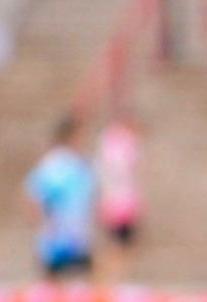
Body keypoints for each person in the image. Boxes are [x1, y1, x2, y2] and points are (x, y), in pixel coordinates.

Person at [23, 117, 97, 282]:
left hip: (53, 240)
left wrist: (41, 227)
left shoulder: (48, 164)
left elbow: (32, 201)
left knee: (53, 287)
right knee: (85, 286)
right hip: (76, 239)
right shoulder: (76, 165)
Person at [97, 118, 142, 267]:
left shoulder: (108, 140)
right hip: (122, 202)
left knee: (118, 246)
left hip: (115, 201)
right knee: (119, 246)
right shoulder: (125, 141)